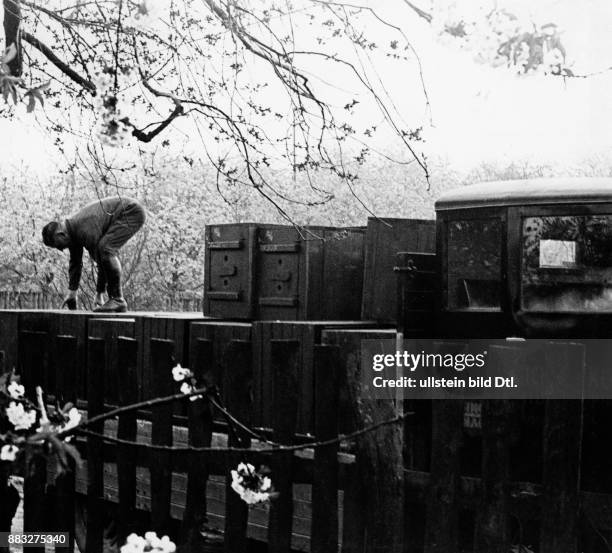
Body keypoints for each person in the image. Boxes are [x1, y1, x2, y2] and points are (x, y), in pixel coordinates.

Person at [42, 196, 146, 313]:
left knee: (105, 249)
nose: (61, 249)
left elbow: (102, 260)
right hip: (126, 211)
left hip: (131, 212)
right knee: (104, 249)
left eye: (57, 245)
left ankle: (117, 299)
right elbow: (75, 262)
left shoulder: (84, 230)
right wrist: (72, 292)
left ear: (60, 235)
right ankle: (116, 300)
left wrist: (99, 292)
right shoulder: (71, 233)